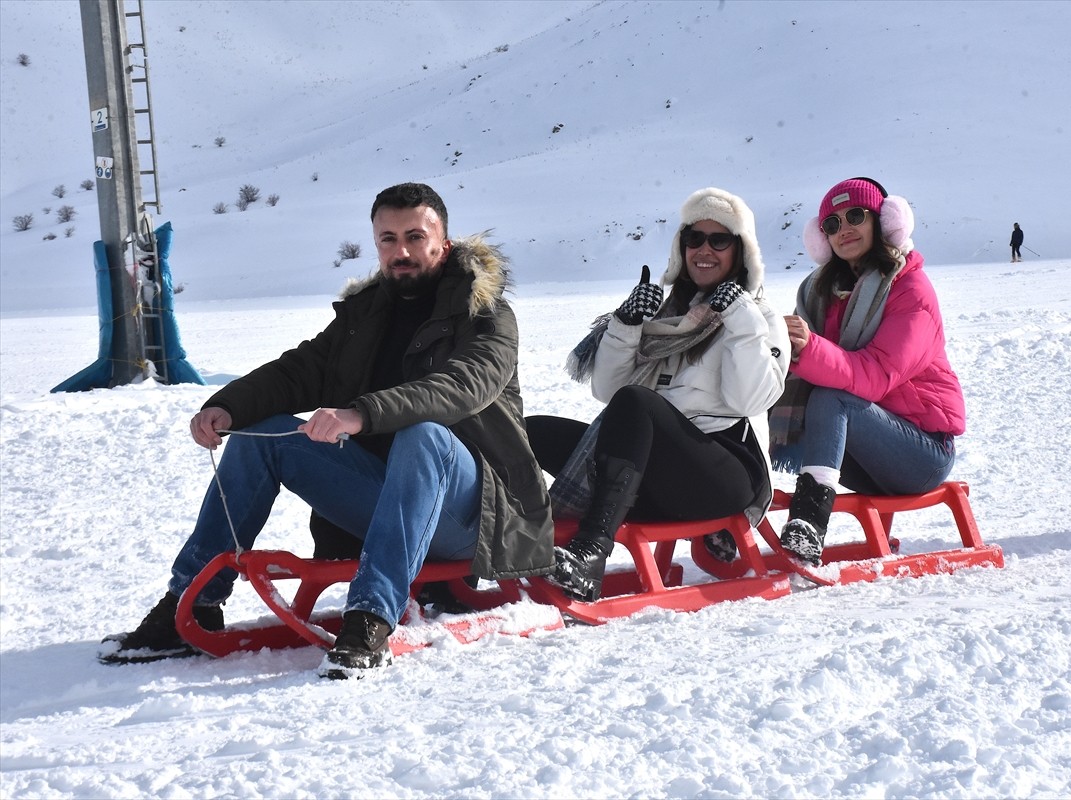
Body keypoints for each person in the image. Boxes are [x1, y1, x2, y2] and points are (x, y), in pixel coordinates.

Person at [99, 182, 554, 678]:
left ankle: (371, 616)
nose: (400, 251)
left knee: (424, 435)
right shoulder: (367, 315)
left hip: (478, 515)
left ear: (442, 243)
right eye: (387, 239)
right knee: (267, 434)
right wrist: (227, 407)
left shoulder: (486, 316)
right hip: (389, 502)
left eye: (415, 237)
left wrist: (362, 413)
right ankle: (193, 602)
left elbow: (460, 386)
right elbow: (301, 371)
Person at [526, 187, 790, 602]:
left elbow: (749, 400)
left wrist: (739, 316)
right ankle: (493, 549)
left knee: (638, 402)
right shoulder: (667, 315)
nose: (705, 250)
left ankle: (591, 549)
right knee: (527, 430)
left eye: (719, 240)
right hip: (650, 474)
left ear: (741, 252)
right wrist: (627, 326)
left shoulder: (761, 318)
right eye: (694, 239)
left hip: (720, 476)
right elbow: (607, 392)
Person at [770, 177, 964, 565]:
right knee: (763, 384)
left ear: (883, 221)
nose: (844, 230)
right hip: (861, 455)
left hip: (922, 455)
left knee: (832, 396)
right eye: (832, 224)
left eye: (855, 216)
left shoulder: (911, 290)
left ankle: (809, 521)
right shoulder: (821, 295)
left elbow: (873, 376)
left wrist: (809, 347)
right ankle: (730, 512)